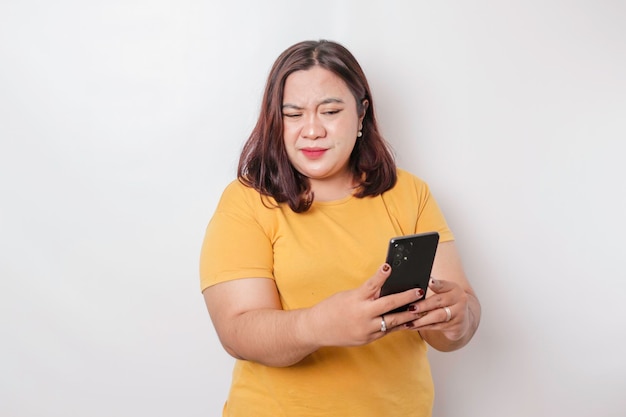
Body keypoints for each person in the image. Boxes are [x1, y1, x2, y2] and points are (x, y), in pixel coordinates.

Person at [199, 39, 481, 417]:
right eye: (293, 114)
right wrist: (319, 325)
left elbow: (452, 323)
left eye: (330, 111)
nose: (312, 130)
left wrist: (458, 320)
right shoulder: (247, 201)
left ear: (362, 113)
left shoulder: (409, 193)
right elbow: (237, 333)